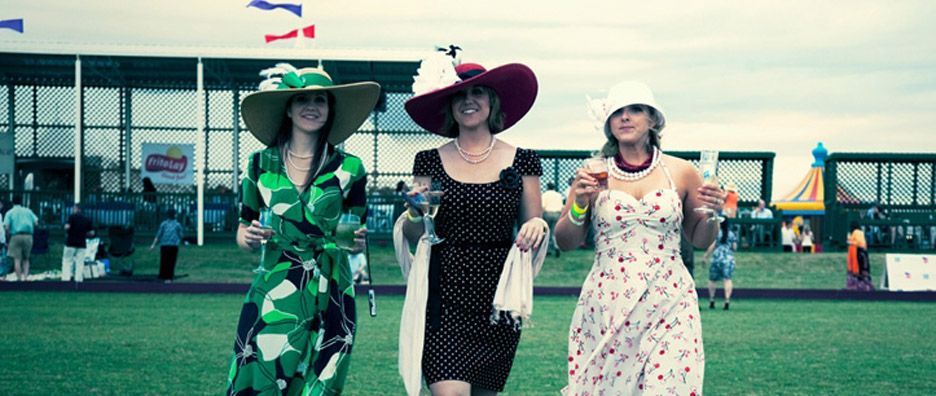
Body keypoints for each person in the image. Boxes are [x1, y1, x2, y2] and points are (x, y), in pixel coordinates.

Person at [555, 81, 724, 394]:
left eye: (635, 110)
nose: (625, 117)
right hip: (609, 301)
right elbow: (565, 242)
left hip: (669, 299)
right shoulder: (593, 172)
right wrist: (579, 203)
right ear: (608, 123)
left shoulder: (682, 170)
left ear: (653, 120)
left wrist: (713, 213)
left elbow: (700, 239)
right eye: (617, 112)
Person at [227, 64, 378, 395]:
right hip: (275, 284)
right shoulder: (259, 163)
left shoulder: (351, 167)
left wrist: (356, 241)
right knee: (261, 370)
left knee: (322, 376)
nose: (312, 107)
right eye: (302, 100)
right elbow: (243, 227)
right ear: (289, 109)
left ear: (330, 109)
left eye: (320, 100)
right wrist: (248, 238)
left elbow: (355, 232)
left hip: (333, 285)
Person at [399, 55, 545, 395]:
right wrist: (412, 213)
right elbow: (415, 233)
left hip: (498, 299)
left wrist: (537, 227)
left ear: (492, 101)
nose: (469, 101)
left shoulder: (523, 160)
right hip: (443, 297)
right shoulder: (428, 161)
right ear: (449, 105)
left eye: (478, 92)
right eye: (460, 95)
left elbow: (533, 227)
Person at [4, 196, 38, 281]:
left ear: (13, 203)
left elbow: (6, 227)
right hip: (28, 236)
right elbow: (36, 222)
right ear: (21, 202)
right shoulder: (28, 211)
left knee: (17, 259)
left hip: (15, 236)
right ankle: (25, 278)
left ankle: (19, 279)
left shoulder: (10, 212)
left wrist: (8, 237)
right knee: (26, 258)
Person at [708, 218, 737, 310]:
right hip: (728, 258)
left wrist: (705, 256)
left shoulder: (716, 233)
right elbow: (734, 247)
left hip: (716, 258)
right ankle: (727, 300)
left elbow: (712, 246)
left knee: (712, 280)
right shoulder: (732, 234)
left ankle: (712, 299)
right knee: (727, 280)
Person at [61, 203, 95, 282]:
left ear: (77, 209)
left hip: (70, 243)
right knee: (80, 262)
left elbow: (67, 227)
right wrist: (84, 233)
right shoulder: (87, 219)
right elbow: (92, 233)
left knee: (67, 261)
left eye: (74, 208)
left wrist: (67, 230)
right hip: (82, 244)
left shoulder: (72, 217)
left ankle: (66, 279)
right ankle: (78, 280)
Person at [149, 208, 183, 282]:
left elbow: (158, 235)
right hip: (173, 246)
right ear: (175, 215)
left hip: (164, 245)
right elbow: (180, 235)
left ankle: (162, 276)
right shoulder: (177, 224)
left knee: (164, 261)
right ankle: (169, 277)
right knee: (171, 261)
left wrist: (153, 245)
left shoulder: (163, 224)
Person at [846, 221, 873, 291]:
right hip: (864, 253)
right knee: (864, 270)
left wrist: (850, 242)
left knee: (859, 271)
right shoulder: (861, 232)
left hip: (857, 253)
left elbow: (856, 242)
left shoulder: (855, 233)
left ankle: (857, 286)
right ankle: (867, 286)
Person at [542, 182, 565, 257]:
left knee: (546, 232)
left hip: (547, 213)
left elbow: (543, 206)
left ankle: (547, 250)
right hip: (557, 214)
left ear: (547, 187)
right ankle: (556, 247)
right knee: (553, 233)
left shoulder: (545, 195)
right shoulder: (558, 195)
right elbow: (562, 207)